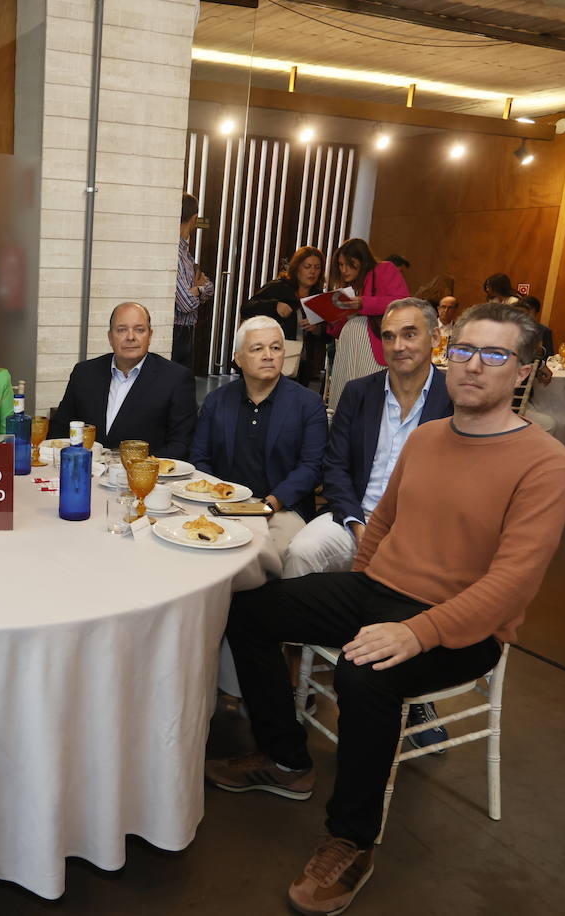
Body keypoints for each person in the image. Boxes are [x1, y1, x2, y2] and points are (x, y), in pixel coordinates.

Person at [206, 303, 565, 915]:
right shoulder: (429, 438)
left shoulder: (544, 462)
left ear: (524, 372)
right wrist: (354, 590)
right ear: (446, 356)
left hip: (463, 624)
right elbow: (380, 526)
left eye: (495, 355)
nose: (472, 366)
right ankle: (286, 757)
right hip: (380, 590)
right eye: (463, 351)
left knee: (362, 672)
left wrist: (419, 631)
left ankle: (351, 839)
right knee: (248, 609)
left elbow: (512, 583)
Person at [283, 299, 454, 752]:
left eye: (410, 334)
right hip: (355, 517)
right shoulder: (359, 392)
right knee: (301, 553)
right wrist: (359, 525)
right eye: (390, 336)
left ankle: (415, 692)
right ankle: (300, 666)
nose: (398, 345)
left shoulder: (455, 397)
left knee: (410, 587)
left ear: (435, 338)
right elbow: (335, 467)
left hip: (421, 533)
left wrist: (399, 536)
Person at [190, 315, 327, 554]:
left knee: (264, 555)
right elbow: (199, 457)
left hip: (281, 509)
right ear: (238, 359)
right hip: (222, 504)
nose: (268, 355)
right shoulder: (217, 401)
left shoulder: (308, 403)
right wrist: (219, 497)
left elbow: (311, 467)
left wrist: (271, 503)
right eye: (257, 349)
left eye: (276, 348)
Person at [49, 302, 196, 458]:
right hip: (84, 473)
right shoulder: (84, 373)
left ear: (150, 335)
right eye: (122, 330)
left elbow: (180, 445)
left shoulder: (175, 378)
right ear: (110, 337)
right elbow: (59, 431)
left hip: (144, 479)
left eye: (139, 330)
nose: (131, 337)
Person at [324, 238, 410, 411]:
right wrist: (331, 316)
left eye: (349, 264)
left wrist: (363, 303)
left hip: (372, 345)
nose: (344, 270)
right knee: (345, 395)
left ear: (361, 261)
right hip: (349, 346)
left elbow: (402, 302)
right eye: (340, 265)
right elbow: (341, 326)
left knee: (368, 400)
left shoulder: (384, 269)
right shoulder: (349, 287)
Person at [244, 246, 325, 343]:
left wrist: (317, 329)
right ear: (296, 268)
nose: (312, 272)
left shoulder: (319, 296)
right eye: (307, 267)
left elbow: (327, 336)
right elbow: (246, 308)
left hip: (303, 355)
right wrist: (275, 306)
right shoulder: (279, 286)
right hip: (272, 351)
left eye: (317, 267)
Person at [174, 193, 214, 369]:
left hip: (186, 332)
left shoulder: (185, 254)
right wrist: (198, 290)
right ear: (194, 219)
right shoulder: (175, 254)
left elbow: (209, 287)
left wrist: (197, 289)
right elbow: (186, 304)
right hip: (176, 333)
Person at [517, 295, 555, 359]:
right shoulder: (511, 327)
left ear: (536, 313)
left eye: (530, 310)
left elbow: (549, 356)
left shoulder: (544, 331)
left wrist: (540, 351)